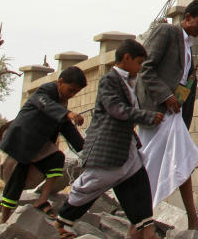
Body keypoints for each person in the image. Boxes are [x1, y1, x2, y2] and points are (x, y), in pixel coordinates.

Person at [54, 39, 164, 239]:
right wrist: (146, 116)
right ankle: (62, 222)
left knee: (138, 184)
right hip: (108, 149)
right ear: (126, 58)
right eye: (139, 63)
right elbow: (116, 109)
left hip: (126, 149)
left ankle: (146, 230)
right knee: (91, 185)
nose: (140, 68)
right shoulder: (109, 80)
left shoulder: (129, 82)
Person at [135, 0, 198, 235]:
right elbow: (145, 69)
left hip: (172, 115)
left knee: (184, 160)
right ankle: (139, 221)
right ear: (187, 17)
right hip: (158, 112)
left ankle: (189, 219)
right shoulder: (167, 32)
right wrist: (166, 96)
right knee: (153, 165)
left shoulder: (188, 47)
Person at [0, 66, 87, 222]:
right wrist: (68, 113)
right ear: (60, 82)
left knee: (57, 159)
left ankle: (42, 199)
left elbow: (66, 127)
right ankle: (4, 219)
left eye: (75, 93)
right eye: (70, 90)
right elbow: (46, 105)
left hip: (39, 148)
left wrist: (84, 147)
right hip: (21, 144)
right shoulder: (45, 91)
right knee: (15, 182)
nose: (72, 95)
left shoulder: (62, 103)